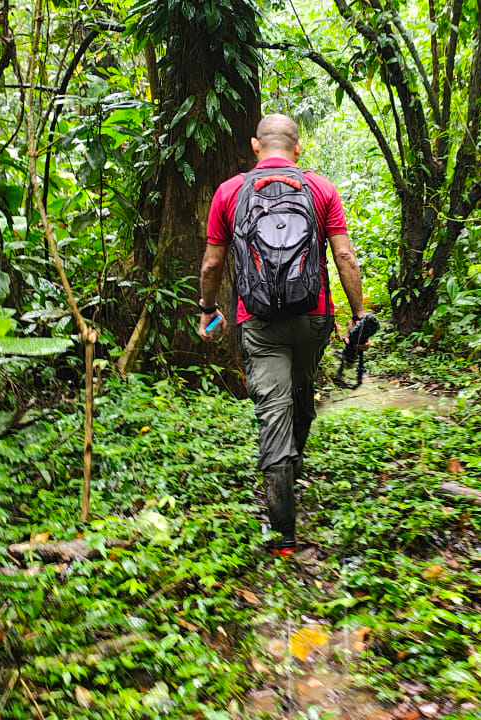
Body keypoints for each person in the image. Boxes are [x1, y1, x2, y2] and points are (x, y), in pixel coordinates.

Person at [196, 114, 368, 557]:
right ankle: (291, 464)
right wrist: (358, 316)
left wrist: (208, 310)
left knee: (274, 409)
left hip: (257, 320)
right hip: (313, 318)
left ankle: (283, 533)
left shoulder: (229, 192)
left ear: (255, 146)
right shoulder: (321, 188)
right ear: (298, 148)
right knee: (301, 397)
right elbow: (344, 255)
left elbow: (212, 265)